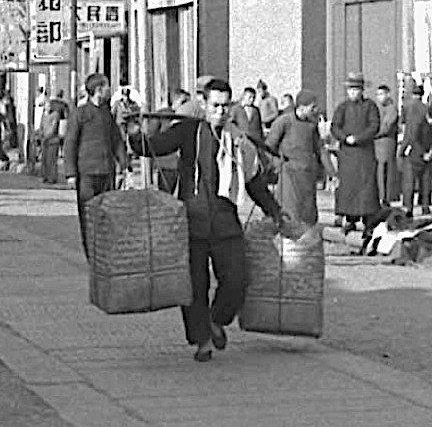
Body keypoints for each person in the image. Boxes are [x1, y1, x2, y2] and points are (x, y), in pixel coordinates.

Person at [127, 79, 294, 363]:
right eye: (215, 105)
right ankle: (202, 339)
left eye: (225, 105)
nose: (220, 111)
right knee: (194, 286)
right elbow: (152, 146)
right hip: (191, 222)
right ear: (203, 104)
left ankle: (217, 320)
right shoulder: (188, 131)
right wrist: (133, 130)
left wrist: (274, 210)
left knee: (237, 280)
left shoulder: (237, 139)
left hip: (226, 222)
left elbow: (251, 181)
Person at [63, 73, 129, 258]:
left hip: (107, 171)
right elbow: (70, 143)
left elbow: (116, 141)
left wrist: (124, 164)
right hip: (87, 174)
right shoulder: (80, 113)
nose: (110, 89)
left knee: (105, 214)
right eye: (107, 86)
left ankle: (103, 251)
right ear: (99, 89)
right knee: (88, 214)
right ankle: (91, 254)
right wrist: (70, 173)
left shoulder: (107, 114)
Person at [330, 72, 381, 234]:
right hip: (347, 156)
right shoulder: (342, 108)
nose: (352, 93)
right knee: (348, 188)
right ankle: (350, 219)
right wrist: (345, 138)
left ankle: (368, 221)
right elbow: (334, 127)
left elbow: (374, 126)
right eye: (350, 90)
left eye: (356, 90)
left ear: (361, 91)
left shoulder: (370, 106)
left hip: (365, 154)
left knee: (366, 188)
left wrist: (358, 138)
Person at [265, 90, 324, 224]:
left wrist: (331, 171)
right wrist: (276, 165)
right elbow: (268, 147)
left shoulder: (312, 125)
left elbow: (319, 148)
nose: (315, 110)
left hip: (307, 175)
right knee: (290, 213)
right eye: (312, 107)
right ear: (302, 107)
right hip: (288, 175)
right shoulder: (283, 122)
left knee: (308, 215)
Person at [400, 86, 432, 218]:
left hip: (425, 155)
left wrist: (431, 152)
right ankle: (409, 208)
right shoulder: (420, 121)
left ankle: (424, 206)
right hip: (414, 154)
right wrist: (424, 153)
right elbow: (414, 139)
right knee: (411, 182)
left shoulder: (408, 106)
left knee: (424, 181)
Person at [373, 84, 399, 205]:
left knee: (386, 171)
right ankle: (380, 196)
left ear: (388, 94)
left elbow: (386, 127)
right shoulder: (377, 108)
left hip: (386, 144)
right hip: (377, 145)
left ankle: (386, 197)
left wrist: (372, 133)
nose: (379, 97)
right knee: (379, 172)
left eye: (381, 94)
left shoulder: (392, 109)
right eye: (378, 95)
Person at [39, 102, 63, 184]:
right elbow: (41, 126)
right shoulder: (44, 115)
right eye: (46, 106)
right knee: (45, 159)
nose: (47, 107)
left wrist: (47, 136)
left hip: (53, 140)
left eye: (49, 106)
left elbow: (54, 127)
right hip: (44, 140)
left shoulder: (55, 114)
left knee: (51, 160)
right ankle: (45, 176)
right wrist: (41, 134)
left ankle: (52, 178)